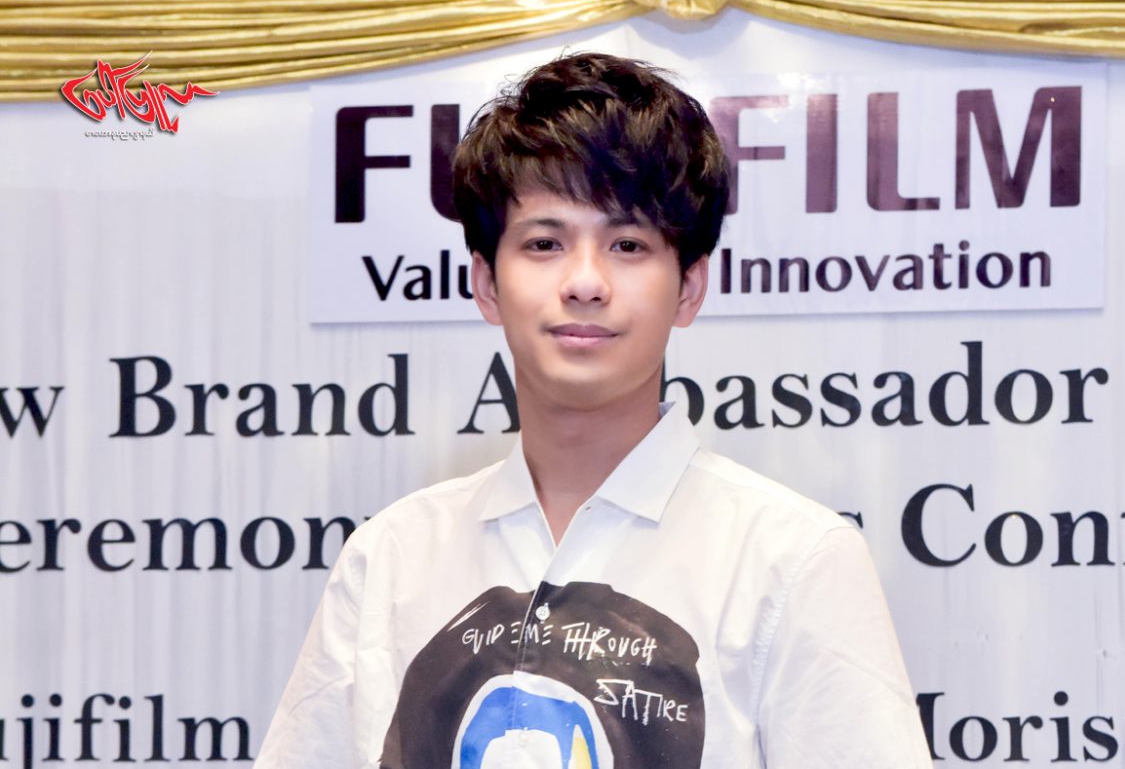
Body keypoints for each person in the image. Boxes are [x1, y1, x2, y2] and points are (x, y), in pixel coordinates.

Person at [256, 52, 931, 768]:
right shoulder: (390, 559)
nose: (584, 282)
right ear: (486, 284)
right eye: (544, 243)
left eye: (628, 244)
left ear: (689, 287)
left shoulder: (791, 561)